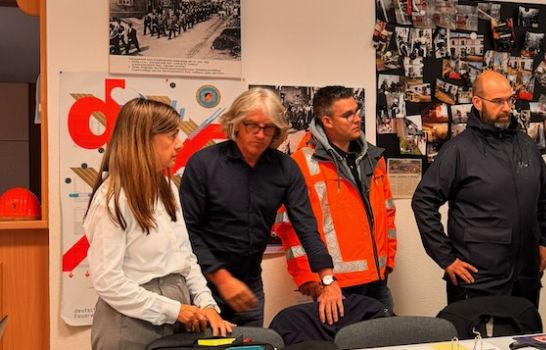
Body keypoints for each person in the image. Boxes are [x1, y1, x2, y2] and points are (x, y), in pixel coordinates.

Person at [180, 88, 343, 327]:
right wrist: (222, 278)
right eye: (251, 126)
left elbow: (306, 227)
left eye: (268, 128)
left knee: (252, 344)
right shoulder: (204, 164)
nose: (259, 134)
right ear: (236, 124)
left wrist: (328, 280)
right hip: (202, 284)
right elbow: (187, 231)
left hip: (249, 284)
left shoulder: (285, 169)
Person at [85, 98, 231, 350]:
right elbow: (107, 280)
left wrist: (206, 304)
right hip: (130, 325)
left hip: (175, 315)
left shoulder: (166, 188)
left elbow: (185, 257)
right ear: (144, 139)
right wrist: (174, 310)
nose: (180, 143)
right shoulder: (112, 199)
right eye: (172, 136)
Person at [412, 70, 546, 307]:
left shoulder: (526, 146)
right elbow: (423, 201)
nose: (507, 107)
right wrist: (446, 259)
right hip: (478, 281)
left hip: (525, 280)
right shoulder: (458, 150)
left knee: (523, 342)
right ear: (477, 102)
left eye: (510, 100)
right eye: (498, 101)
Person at [278, 86, 397, 310]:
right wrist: (308, 278)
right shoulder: (302, 163)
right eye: (347, 115)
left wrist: (388, 260)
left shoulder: (373, 158)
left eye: (357, 111)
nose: (357, 119)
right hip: (333, 286)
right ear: (327, 121)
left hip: (378, 282)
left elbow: (388, 212)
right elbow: (290, 227)